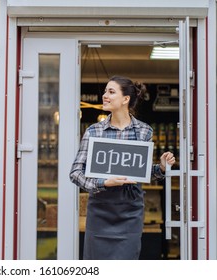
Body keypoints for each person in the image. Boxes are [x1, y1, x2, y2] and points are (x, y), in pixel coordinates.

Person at [69, 75, 175, 260]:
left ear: (125, 99)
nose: (105, 95)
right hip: (100, 211)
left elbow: (141, 171)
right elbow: (75, 173)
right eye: (105, 91)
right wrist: (104, 182)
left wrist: (162, 168)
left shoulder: (144, 131)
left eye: (111, 92)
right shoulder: (94, 131)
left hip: (130, 213)